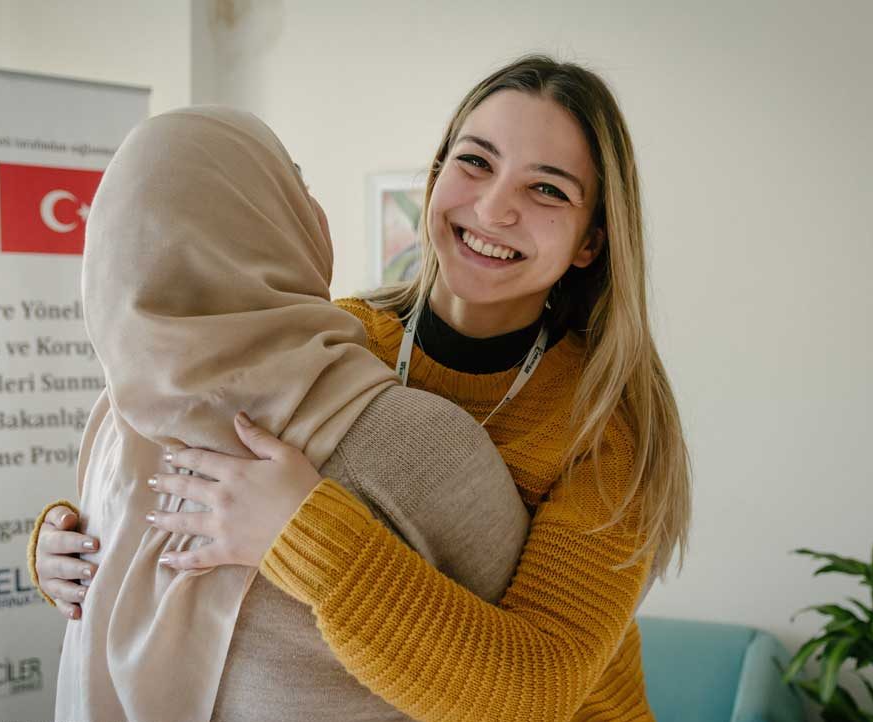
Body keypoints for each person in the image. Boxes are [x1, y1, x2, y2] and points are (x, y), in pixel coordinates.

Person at [34, 54, 693, 721]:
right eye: (476, 162)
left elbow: (536, 692)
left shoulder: (606, 425)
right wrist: (71, 546)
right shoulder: (340, 334)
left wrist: (301, 529)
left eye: (547, 189)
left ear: (591, 242)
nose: (494, 209)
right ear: (436, 177)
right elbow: (181, 457)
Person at [45, 104, 530, 722]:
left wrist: (305, 537)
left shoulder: (114, 430)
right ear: (265, 222)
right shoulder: (414, 444)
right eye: (295, 185)